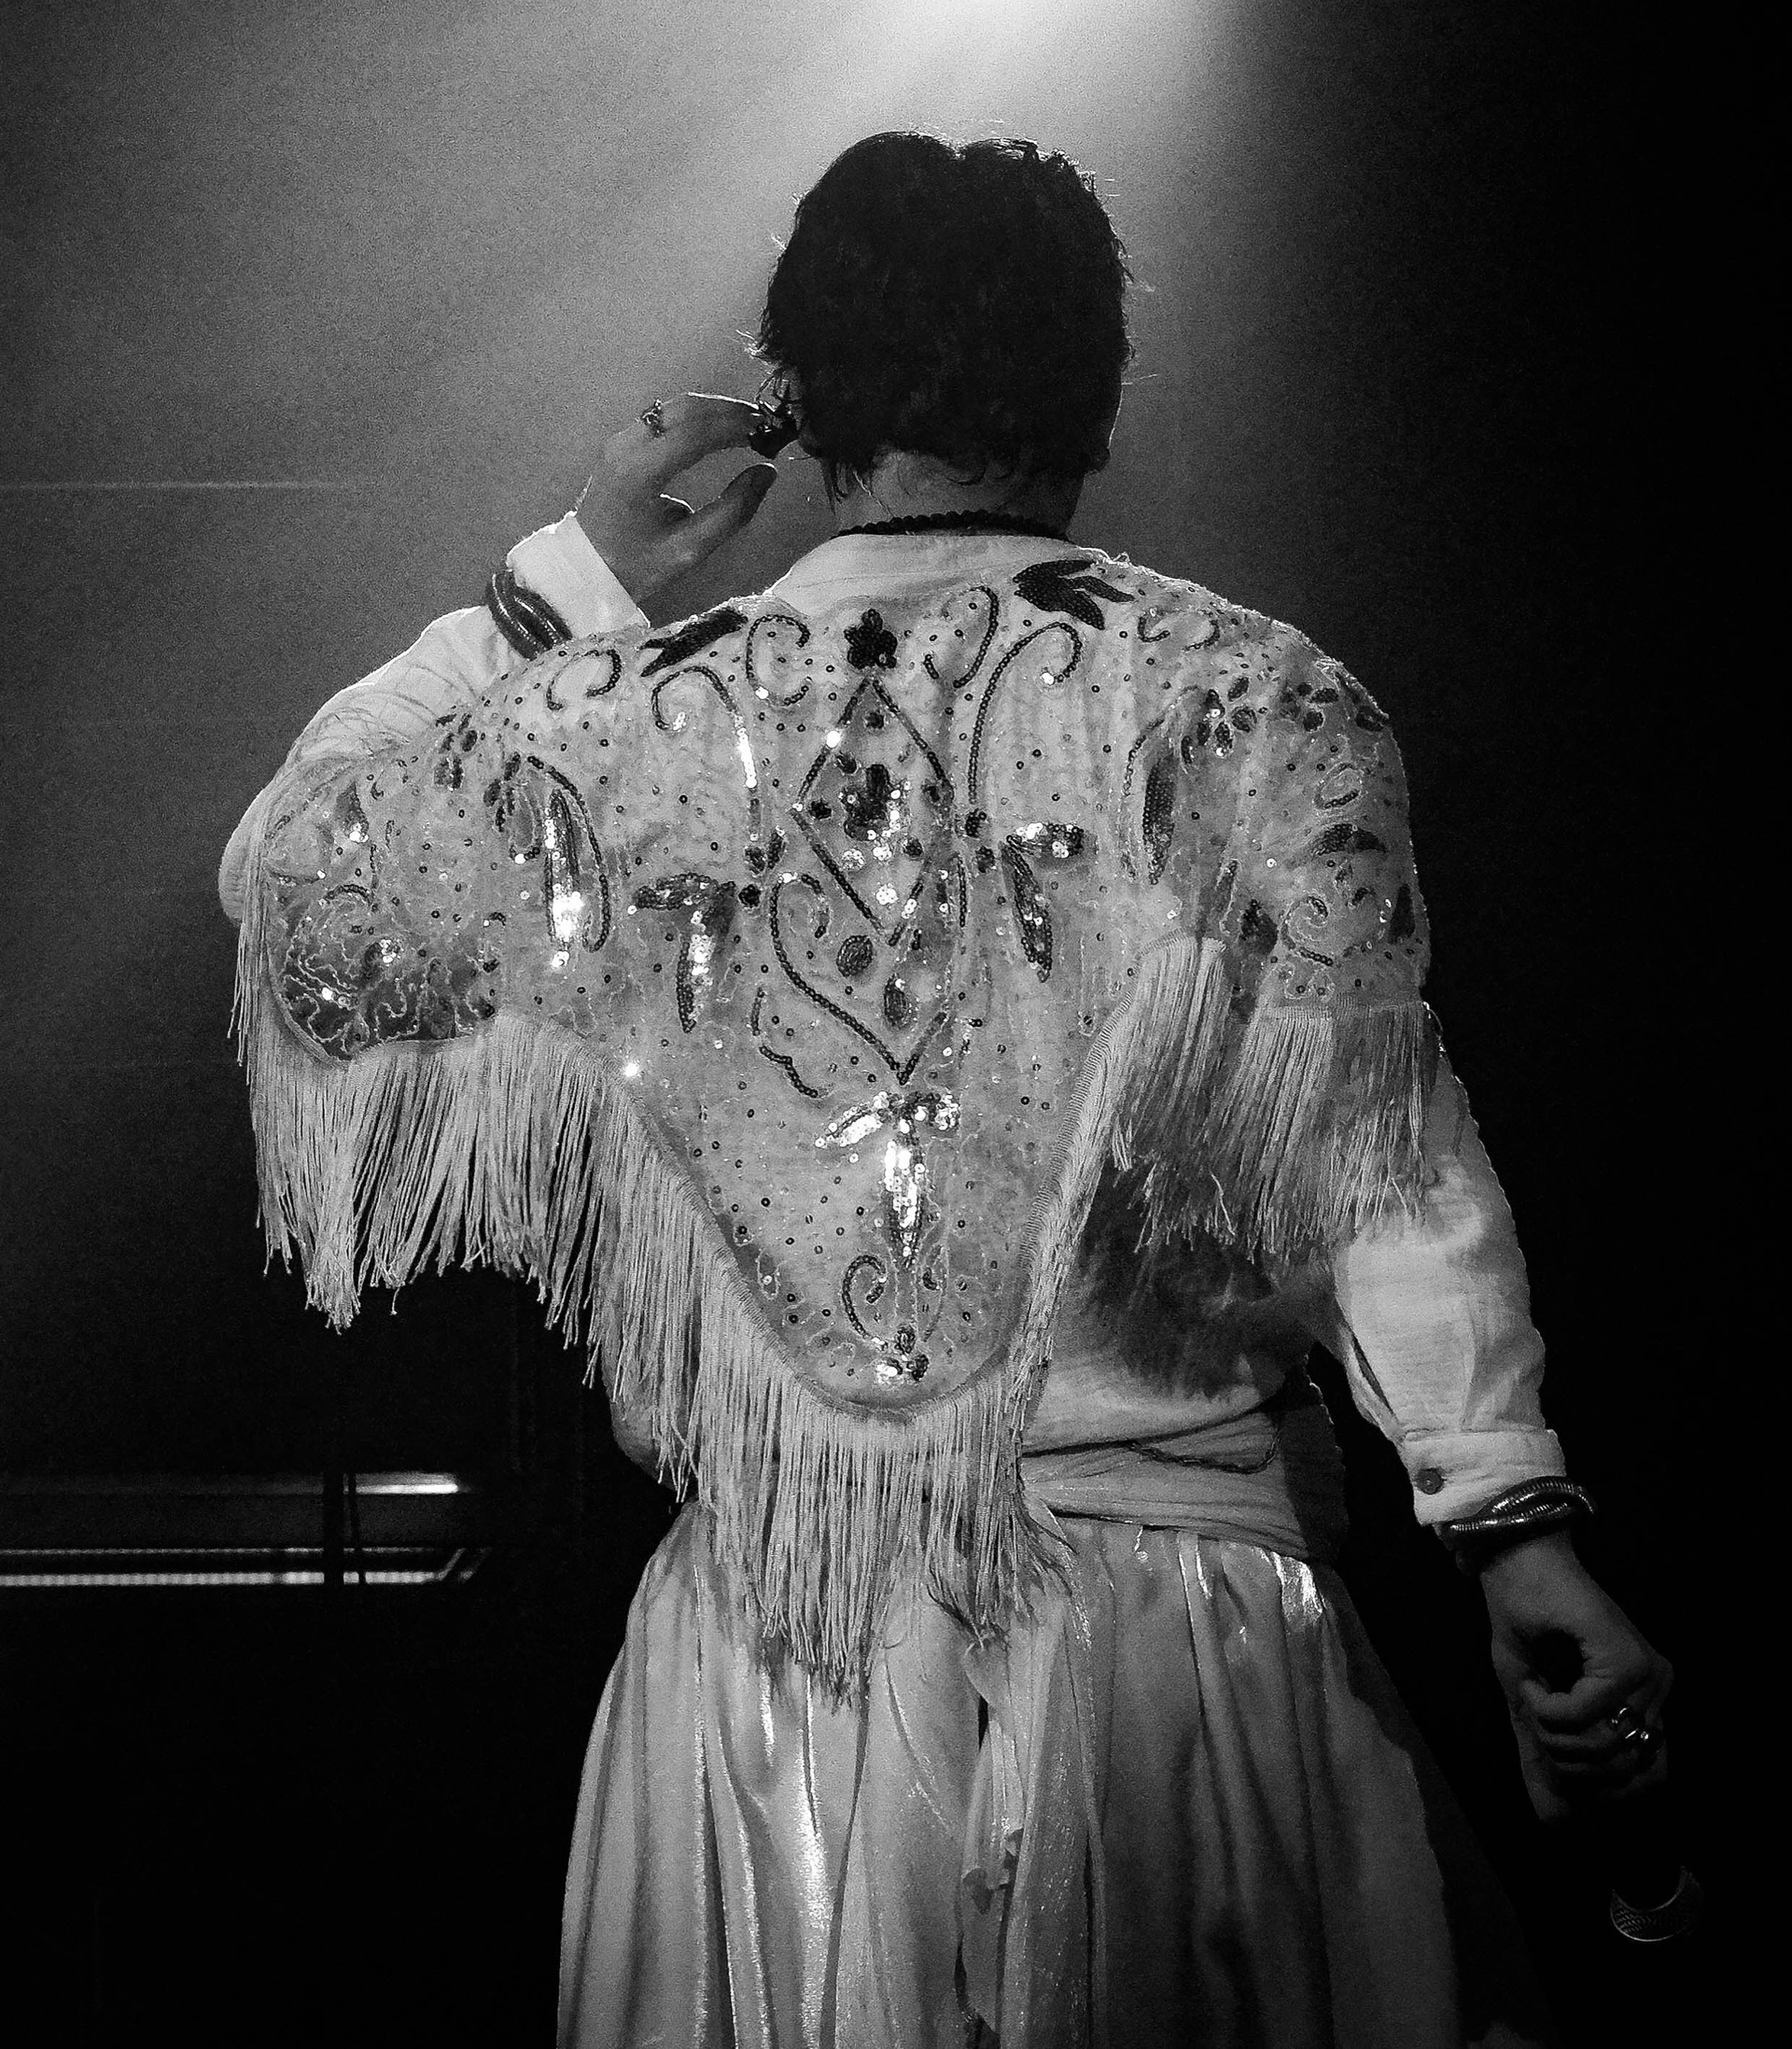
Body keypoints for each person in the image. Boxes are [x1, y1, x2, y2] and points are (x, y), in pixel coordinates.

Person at [220, 132, 1671, 2048]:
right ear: (1097, 391)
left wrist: (570, 579)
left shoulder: (611, 725)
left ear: (804, 399)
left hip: (776, 1675)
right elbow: (1381, 1157)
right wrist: (1510, 1521)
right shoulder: (1244, 696)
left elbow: (293, 878)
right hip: (1184, 1642)